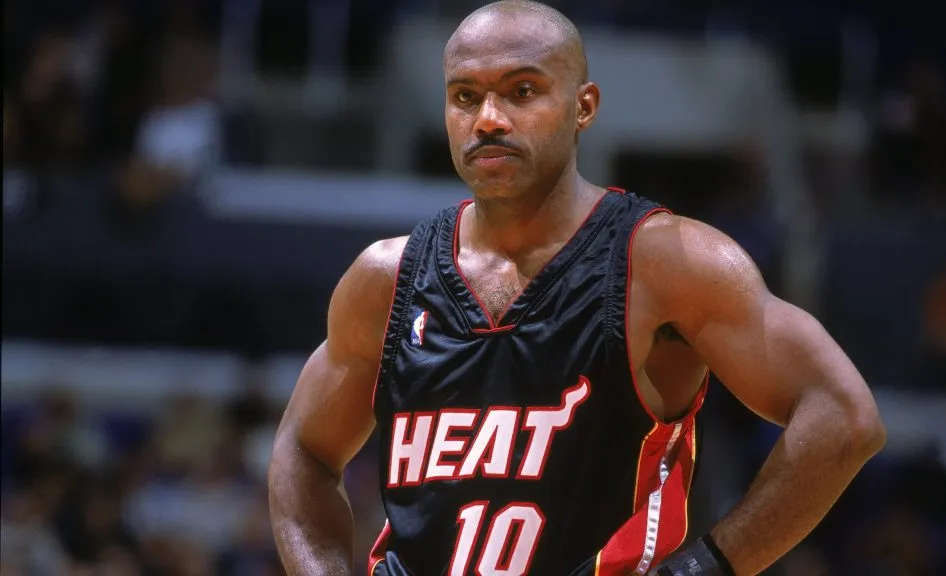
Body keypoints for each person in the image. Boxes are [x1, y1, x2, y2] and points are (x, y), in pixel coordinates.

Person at [267, 2, 887, 575]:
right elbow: (303, 450)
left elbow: (843, 419)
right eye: (465, 96)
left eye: (523, 91)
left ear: (583, 107)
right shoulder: (386, 277)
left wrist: (704, 568)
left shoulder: (668, 260)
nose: (488, 119)